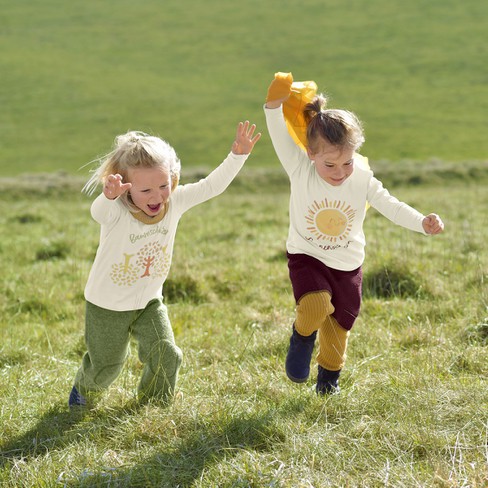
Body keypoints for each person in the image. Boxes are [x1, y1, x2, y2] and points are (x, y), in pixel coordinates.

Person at [264, 72, 444, 395]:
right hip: (307, 257)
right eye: (330, 165)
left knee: (339, 328)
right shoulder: (299, 167)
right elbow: (278, 131)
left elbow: (390, 204)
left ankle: (327, 386)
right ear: (311, 154)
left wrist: (421, 222)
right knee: (315, 305)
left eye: (346, 162)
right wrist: (273, 104)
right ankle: (301, 338)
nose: (340, 172)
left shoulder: (361, 177)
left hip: (348, 266)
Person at [69, 121, 261, 407]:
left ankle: (154, 404)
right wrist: (109, 196)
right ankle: (84, 392)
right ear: (126, 187)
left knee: (167, 353)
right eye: (145, 191)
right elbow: (98, 212)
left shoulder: (176, 202)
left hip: (149, 302)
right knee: (107, 364)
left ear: (172, 178)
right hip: (107, 305)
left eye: (163, 185)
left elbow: (212, 186)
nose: (157, 196)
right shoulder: (117, 210)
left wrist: (238, 155)